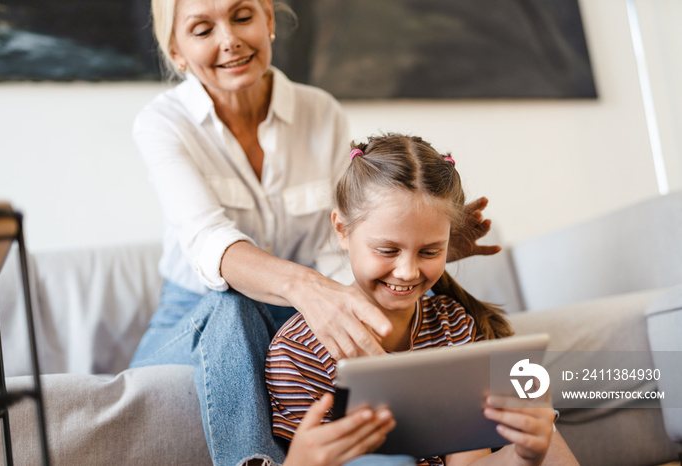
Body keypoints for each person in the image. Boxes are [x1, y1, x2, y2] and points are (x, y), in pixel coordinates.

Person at [128, 0, 500, 464]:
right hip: (197, 313)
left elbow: (338, 245)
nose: (229, 40)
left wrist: (420, 251)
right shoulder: (163, 123)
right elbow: (209, 242)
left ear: (268, 20)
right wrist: (309, 290)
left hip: (301, 308)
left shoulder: (319, 112)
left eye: (242, 17)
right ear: (177, 51)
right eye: (202, 29)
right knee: (231, 301)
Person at [266, 134, 572, 466]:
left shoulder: (453, 326)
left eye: (429, 251)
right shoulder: (298, 352)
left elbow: (468, 462)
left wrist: (524, 455)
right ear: (342, 230)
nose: (408, 272)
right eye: (387, 250)